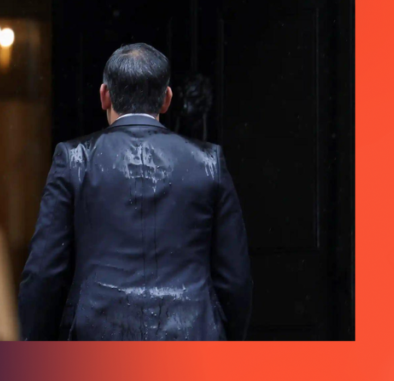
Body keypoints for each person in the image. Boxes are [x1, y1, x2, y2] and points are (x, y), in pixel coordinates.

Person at [18, 43, 252, 340]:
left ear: (104, 95)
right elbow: (235, 279)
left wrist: (34, 342)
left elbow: (44, 272)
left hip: (98, 339)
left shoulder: (74, 159)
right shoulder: (208, 162)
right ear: (166, 99)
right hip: (191, 336)